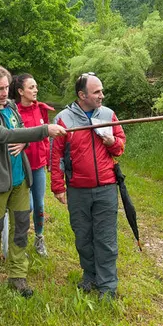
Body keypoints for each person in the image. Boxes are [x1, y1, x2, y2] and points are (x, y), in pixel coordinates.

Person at [0, 66, 66, 297]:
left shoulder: (12, 107)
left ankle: (17, 276)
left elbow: (19, 130)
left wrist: (25, 141)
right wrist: (44, 130)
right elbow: (5, 136)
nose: (5, 93)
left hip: (20, 178)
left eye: (6, 87)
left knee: (21, 227)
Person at [50, 72, 126, 300]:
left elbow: (120, 148)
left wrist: (113, 141)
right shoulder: (64, 119)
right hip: (77, 189)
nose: (101, 95)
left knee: (106, 239)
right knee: (83, 236)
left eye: (101, 91)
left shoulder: (109, 115)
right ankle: (90, 276)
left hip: (106, 188)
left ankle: (108, 287)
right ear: (82, 95)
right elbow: (55, 156)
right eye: (96, 92)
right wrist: (58, 186)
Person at [10, 74, 54, 257]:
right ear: (20, 91)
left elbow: (46, 136)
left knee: (39, 204)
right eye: (31, 87)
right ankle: (20, 241)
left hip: (39, 166)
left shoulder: (42, 109)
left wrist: (49, 159)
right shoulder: (13, 111)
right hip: (21, 166)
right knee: (24, 206)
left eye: (36, 87)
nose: (35, 90)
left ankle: (39, 237)